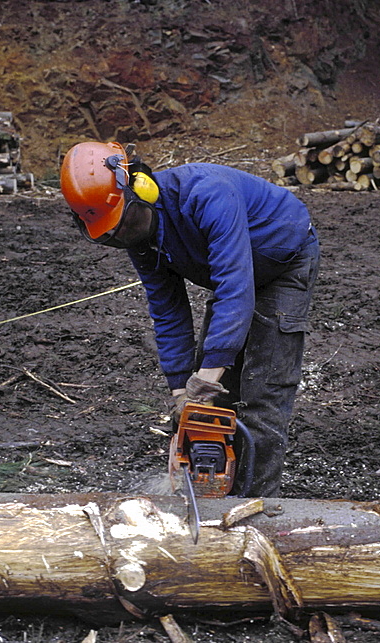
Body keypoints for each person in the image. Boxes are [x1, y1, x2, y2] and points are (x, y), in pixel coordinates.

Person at [60, 141, 319, 497]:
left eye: (122, 225)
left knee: (263, 392)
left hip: (283, 260)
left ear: (141, 189)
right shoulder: (140, 239)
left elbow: (235, 288)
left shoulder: (206, 194)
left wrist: (206, 380)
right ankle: (214, 488)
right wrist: (183, 391)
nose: (121, 238)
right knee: (216, 397)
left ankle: (257, 507)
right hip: (233, 276)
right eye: (110, 237)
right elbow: (168, 313)